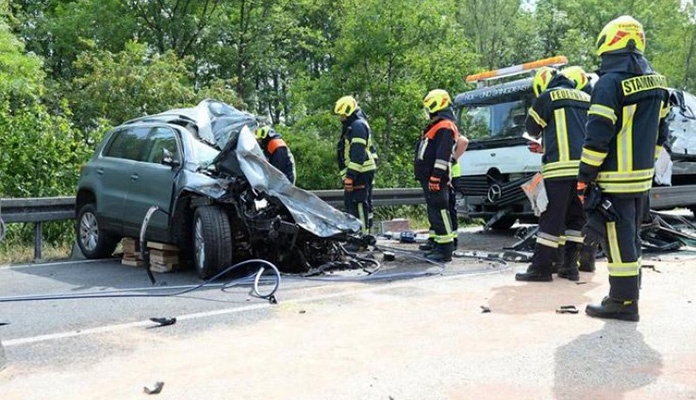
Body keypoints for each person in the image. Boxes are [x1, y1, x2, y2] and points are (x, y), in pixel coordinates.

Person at [578, 15, 670, 321]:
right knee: (632, 240)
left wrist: (584, 177)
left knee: (618, 243)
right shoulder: (658, 83)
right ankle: (628, 296)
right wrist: (646, 164)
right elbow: (662, 133)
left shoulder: (608, 83)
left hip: (614, 181)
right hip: (641, 181)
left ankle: (622, 302)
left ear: (609, 43)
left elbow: (597, 138)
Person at [515, 66, 589, 282]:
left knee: (550, 219)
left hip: (558, 169)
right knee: (576, 218)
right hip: (585, 170)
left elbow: (532, 129)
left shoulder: (548, 96)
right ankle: (570, 267)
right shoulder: (586, 98)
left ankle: (541, 268)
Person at [560, 65, 598, 274]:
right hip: (593, 167)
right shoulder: (592, 101)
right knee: (588, 215)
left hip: (582, 167)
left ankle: (571, 262)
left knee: (575, 216)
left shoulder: (578, 105)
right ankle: (587, 262)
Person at [415, 89, 460, 262]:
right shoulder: (436, 126)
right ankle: (437, 243)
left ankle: (445, 249)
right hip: (430, 178)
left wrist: (436, 176)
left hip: (436, 179)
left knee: (440, 212)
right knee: (435, 212)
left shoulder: (444, 127)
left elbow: (442, 155)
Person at [334, 95, 378, 238]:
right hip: (361, 170)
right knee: (361, 203)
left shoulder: (358, 126)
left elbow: (358, 155)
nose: (341, 118)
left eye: (342, 115)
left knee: (358, 204)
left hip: (360, 171)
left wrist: (350, 176)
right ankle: (365, 235)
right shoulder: (355, 125)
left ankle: (361, 238)